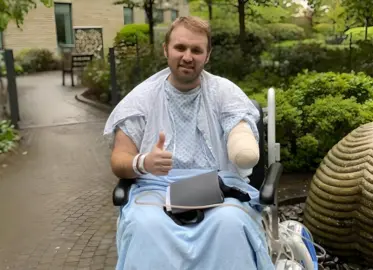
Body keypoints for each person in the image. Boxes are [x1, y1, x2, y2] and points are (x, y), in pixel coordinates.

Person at [103, 16, 275, 270]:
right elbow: (119, 159)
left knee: (230, 223)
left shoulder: (224, 93)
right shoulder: (140, 100)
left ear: (207, 56)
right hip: (155, 189)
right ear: (166, 49)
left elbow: (238, 125)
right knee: (145, 226)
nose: (187, 56)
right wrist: (144, 162)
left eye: (196, 50)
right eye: (180, 48)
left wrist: (241, 146)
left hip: (217, 186)